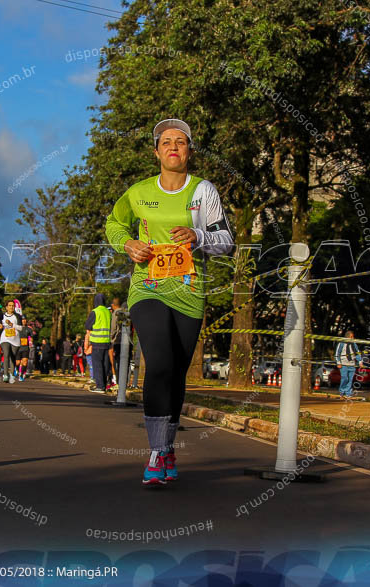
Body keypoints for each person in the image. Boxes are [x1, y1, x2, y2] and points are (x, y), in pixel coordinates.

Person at [105, 118, 234, 484]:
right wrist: (127, 244)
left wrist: (197, 235)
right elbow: (114, 224)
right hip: (148, 287)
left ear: (189, 151)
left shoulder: (203, 191)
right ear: (156, 151)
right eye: (166, 142)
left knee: (176, 371)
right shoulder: (138, 192)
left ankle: (167, 443)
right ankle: (157, 451)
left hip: (190, 291)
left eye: (181, 141)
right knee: (158, 362)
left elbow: (226, 241)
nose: (173, 146)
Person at [85, 293, 113, 392]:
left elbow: (88, 326)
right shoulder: (108, 312)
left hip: (97, 342)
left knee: (97, 365)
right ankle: (104, 385)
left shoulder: (95, 312)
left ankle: (100, 386)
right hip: (107, 342)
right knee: (105, 364)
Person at [0, 300, 22, 383]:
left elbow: (21, 328)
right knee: (6, 354)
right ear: (6, 307)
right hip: (5, 338)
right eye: (9, 305)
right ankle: (5, 374)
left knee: (13, 357)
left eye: (13, 305)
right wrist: (0, 326)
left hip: (15, 339)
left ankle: (12, 374)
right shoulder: (2, 316)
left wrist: (13, 325)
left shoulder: (17, 316)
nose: (11, 307)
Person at [335, 331, 361, 398]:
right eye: (351, 336)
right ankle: (342, 391)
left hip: (352, 364)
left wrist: (360, 361)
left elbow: (357, 353)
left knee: (350, 379)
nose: (353, 338)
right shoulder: (341, 343)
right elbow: (337, 353)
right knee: (345, 378)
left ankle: (348, 393)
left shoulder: (354, 344)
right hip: (343, 364)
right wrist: (338, 362)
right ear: (347, 337)